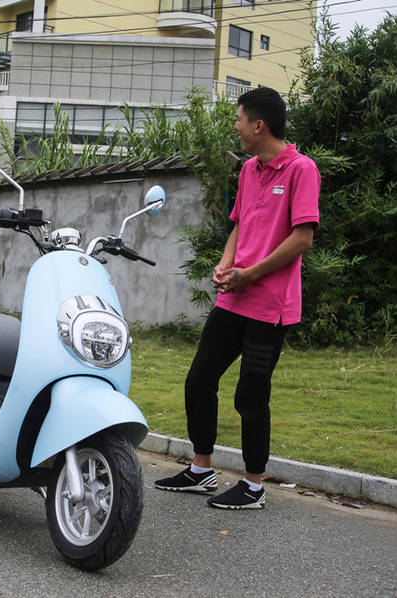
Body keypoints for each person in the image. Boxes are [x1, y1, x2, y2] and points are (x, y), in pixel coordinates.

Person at [155, 87, 320, 509]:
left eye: (239, 118)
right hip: (234, 297)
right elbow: (238, 226)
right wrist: (227, 265)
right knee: (199, 380)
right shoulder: (248, 170)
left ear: (258, 125)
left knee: (250, 395)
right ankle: (202, 468)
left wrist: (251, 275)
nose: (236, 125)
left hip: (270, 306)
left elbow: (302, 238)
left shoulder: (302, 170)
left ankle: (253, 485)